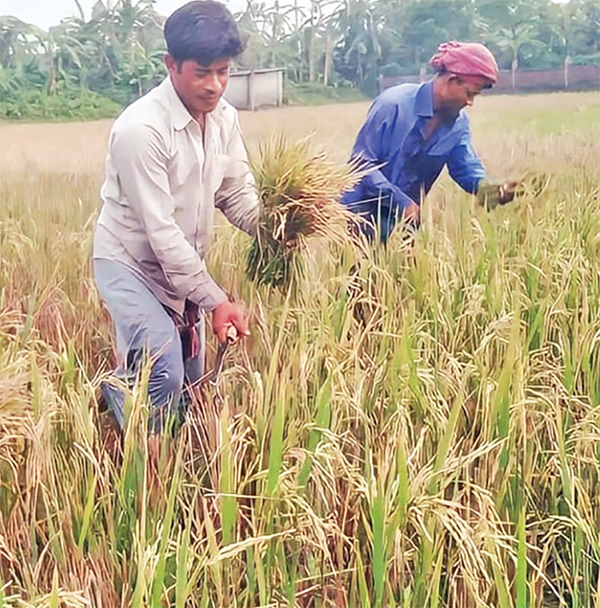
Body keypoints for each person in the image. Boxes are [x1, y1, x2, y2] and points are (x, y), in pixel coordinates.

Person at [93, 0, 259, 435]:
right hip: (131, 262)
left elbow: (235, 191)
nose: (216, 85)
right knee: (163, 370)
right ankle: (146, 458)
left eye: (224, 71)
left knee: (189, 382)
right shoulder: (140, 130)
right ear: (171, 65)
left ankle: (150, 423)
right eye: (202, 71)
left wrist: (276, 226)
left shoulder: (225, 119)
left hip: (183, 265)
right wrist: (216, 300)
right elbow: (161, 233)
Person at [342, 41, 518, 243]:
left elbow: (466, 167)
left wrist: (488, 187)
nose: (470, 102)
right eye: (469, 94)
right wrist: (400, 202)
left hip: (403, 221)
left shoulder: (458, 124)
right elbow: (361, 165)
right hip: (358, 215)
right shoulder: (393, 106)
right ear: (452, 80)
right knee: (357, 273)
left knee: (407, 273)